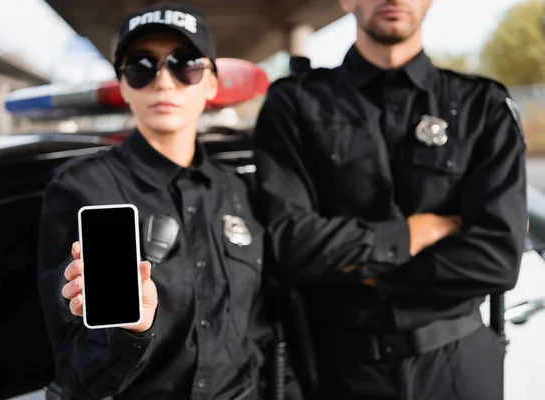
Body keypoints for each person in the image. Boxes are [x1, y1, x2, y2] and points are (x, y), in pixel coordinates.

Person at [253, 0, 528, 399]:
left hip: (459, 368)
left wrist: (360, 266)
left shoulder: (481, 107)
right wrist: (421, 231)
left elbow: (498, 260)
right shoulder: (295, 105)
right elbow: (292, 245)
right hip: (338, 372)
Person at [37, 3, 303, 399]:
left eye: (185, 64)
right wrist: (132, 330)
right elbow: (79, 375)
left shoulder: (240, 191)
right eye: (141, 66)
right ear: (124, 85)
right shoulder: (82, 191)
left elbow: (264, 334)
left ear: (212, 83)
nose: (164, 81)